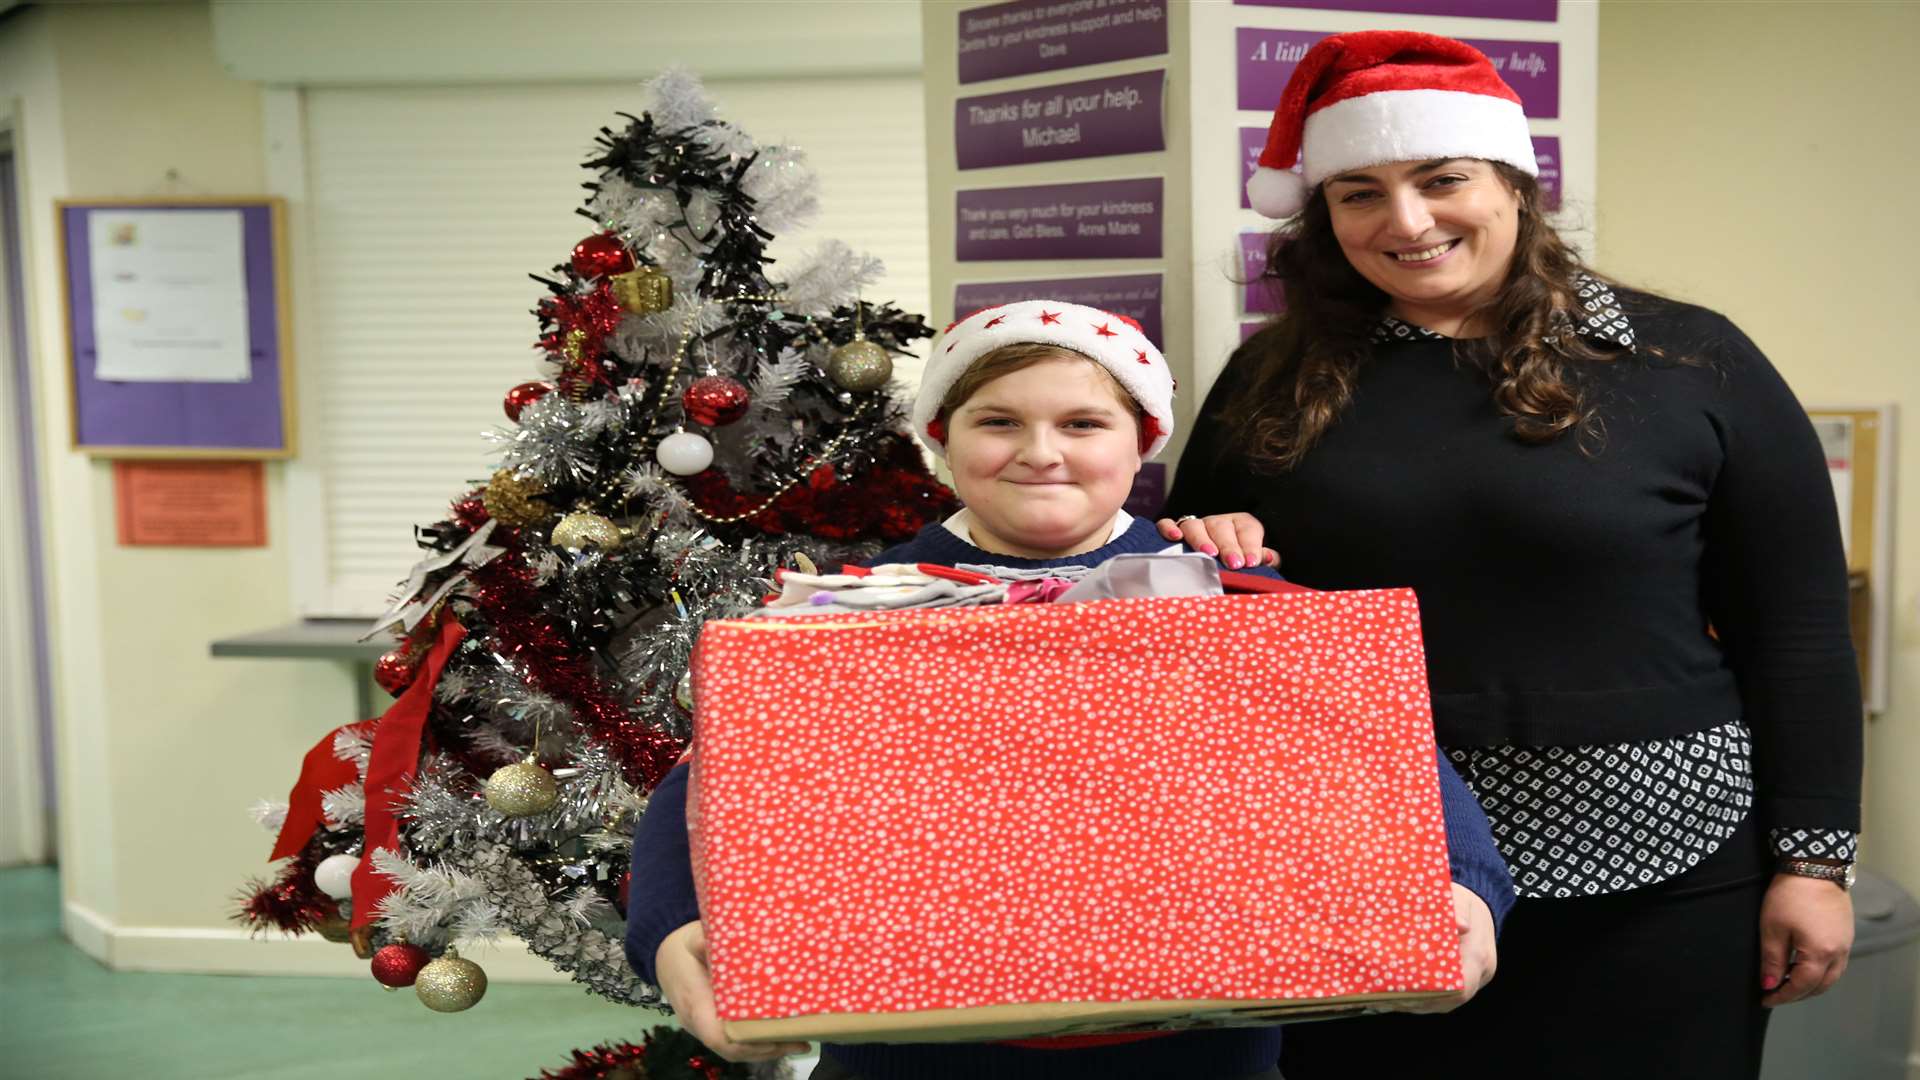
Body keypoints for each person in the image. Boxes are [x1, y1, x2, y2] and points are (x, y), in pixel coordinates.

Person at [1159, 30, 1862, 1080]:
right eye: (1358, 193)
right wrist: (1202, 554)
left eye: (1443, 179)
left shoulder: (1689, 359)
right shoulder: (1274, 378)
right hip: (1374, 864)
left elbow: (1797, 629)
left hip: (1668, 869)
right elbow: (1189, 617)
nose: (1406, 222)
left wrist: (1815, 861)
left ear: (1515, 185)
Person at [626, 299, 1516, 1080]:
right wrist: (675, 938)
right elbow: (710, 787)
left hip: (1201, 1059)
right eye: (998, 422)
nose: (1040, 453)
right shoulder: (850, 612)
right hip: (905, 1056)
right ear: (942, 439)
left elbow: (1384, 761)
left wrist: (1468, 895)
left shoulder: (1221, 599)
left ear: (1143, 441)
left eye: (1085, 424)